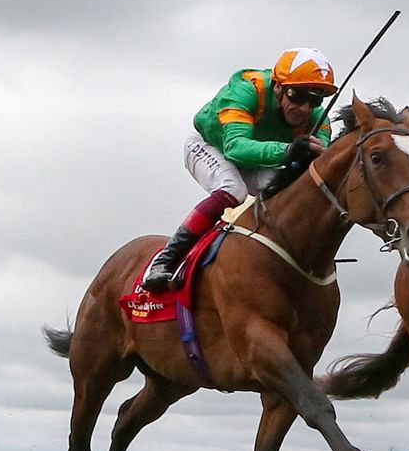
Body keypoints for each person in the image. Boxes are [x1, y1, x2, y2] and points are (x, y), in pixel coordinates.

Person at [142, 47, 338, 292]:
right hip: (210, 147)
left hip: (257, 161)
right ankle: (166, 259)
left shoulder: (319, 119)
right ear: (278, 87)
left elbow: (320, 165)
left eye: (315, 99)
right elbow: (234, 148)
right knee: (234, 189)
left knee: (292, 192)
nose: (305, 108)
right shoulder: (246, 90)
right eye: (298, 96)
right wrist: (288, 151)